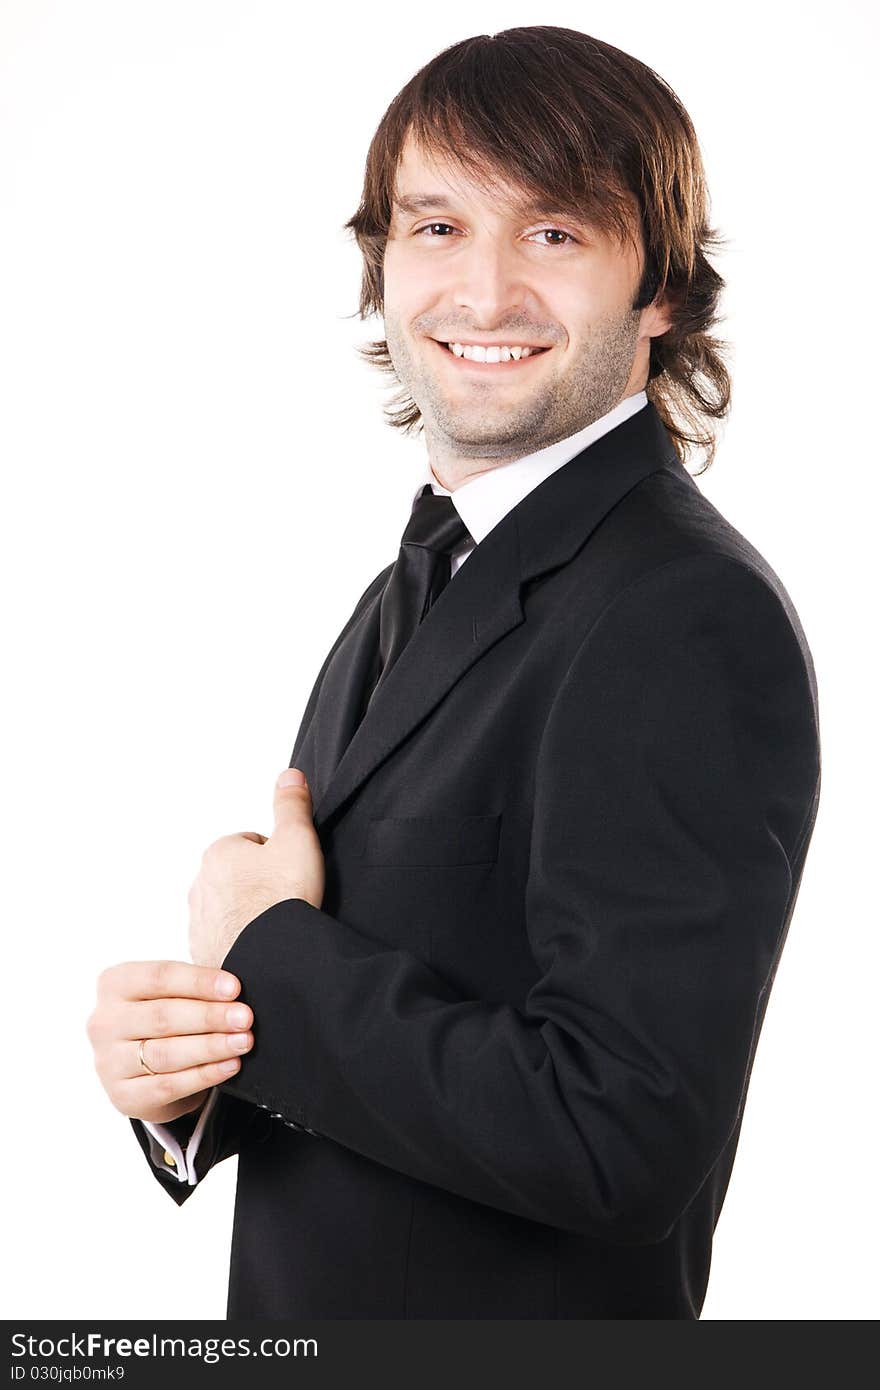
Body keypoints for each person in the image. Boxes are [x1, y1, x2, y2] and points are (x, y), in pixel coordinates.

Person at [86, 25, 821, 1319]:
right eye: (435, 227)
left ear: (661, 288)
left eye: (553, 232)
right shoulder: (418, 582)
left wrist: (270, 953)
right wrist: (197, 1080)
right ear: (382, 264)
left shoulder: (683, 614)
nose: (482, 295)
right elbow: (403, 1038)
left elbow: (621, 1134)